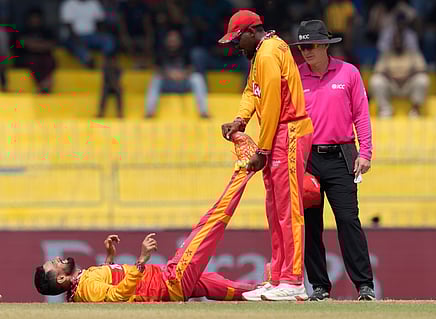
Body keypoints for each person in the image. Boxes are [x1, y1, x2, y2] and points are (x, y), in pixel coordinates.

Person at [34, 132, 260, 302]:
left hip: (165, 279)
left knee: (224, 288)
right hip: (169, 281)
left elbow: (107, 291)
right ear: (61, 279)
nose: (56, 260)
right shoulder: (84, 288)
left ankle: (270, 292)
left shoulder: (82, 287)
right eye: (53, 265)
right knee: (209, 225)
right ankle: (244, 168)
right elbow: (116, 298)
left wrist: (109, 258)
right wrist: (141, 261)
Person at [219, 10, 313, 301]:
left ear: (251, 31)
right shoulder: (261, 52)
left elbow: (271, 105)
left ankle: (294, 281)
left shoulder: (269, 54)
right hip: (280, 134)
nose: (236, 47)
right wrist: (240, 120)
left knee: (288, 209)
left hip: (289, 132)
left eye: (238, 40)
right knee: (275, 209)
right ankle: (279, 278)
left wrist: (262, 149)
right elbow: (252, 91)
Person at [290, 19, 375, 301]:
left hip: (342, 155)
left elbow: (361, 113)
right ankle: (319, 286)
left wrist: (366, 152)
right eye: (302, 47)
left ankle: (364, 285)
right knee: (311, 225)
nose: (306, 51)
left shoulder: (348, 73)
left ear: (326, 45)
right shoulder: (295, 76)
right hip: (307, 158)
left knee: (348, 220)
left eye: (312, 45)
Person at [145, 29, 209, 119]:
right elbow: (156, 69)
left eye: (175, 40)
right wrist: (169, 74)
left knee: (197, 78)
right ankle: (149, 112)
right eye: (170, 40)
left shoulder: (185, 51)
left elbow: (192, 68)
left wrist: (183, 74)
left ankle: (203, 112)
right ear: (166, 40)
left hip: (183, 82)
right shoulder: (161, 52)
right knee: (156, 79)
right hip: (167, 84)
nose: (172, 42)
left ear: (179, 41)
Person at [370, 28, 429, 117]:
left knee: (422, 79)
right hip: (392, 85)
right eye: (395, 41)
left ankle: (415, 110)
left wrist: (407, 76)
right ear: (392, 42)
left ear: (404, 42)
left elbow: (422, 69)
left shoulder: (413, 53)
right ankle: (385, 109)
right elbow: (378, 71)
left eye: (400, 41)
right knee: (376, 80)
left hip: (408, 84)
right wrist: (391, 77)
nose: (398, 43)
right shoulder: (386, 54)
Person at [60, 0, 115, 68]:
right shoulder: (69, 4)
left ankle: (107, 62)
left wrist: (101, 35)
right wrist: (79, 41)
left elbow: (100, 23)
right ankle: (89, 62)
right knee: (78, 47)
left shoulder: (94, 3)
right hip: (75, 36)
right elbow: (69, 27)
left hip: (92, 35)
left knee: (108, 39)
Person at [22, 8, 57, 94]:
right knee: (33, 62)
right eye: (33, 18)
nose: (35, 20)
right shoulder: (24, 30)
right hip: (29, 57)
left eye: (37, 18)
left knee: (49, 61)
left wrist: (34, 45)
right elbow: (25, 44)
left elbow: (51, 44)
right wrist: (41, 45)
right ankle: (43, 86)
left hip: (45, 56)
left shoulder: (47, 31)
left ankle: (43, 86)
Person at [98, 53, 123, 118]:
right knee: (104, 92)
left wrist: (114, 83)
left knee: (119, 92)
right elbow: (105, 77)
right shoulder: (105, 66)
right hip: (109, 85)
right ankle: (101, 112)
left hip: (115, 84)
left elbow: (119, 75)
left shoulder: (117, 66)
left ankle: (120, 112)